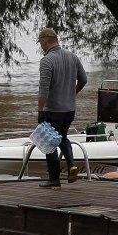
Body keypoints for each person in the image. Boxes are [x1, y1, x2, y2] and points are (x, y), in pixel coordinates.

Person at [36, 27, 87, 188]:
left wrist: (40, 111)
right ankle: (71, 164)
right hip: (69, 109)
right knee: (62, 137)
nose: (41, 46)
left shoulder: (46, 61)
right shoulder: (72, 57)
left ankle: (54, 180)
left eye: (41, 43)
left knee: (50, 143)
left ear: (45, 41)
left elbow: (43, 89)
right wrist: (73, 94)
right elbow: (84, 79)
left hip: (52, 110)